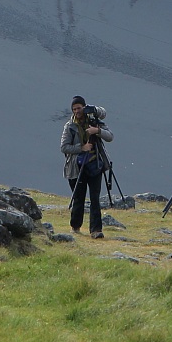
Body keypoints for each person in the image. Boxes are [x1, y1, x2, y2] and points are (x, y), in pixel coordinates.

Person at [60, 96, 114, 238]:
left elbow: (110, 137)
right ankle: (75, 226)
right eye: (74, 109)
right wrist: (81, 147)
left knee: (95, 198)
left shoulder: (94, 122)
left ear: (84, 107)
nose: (77, 111)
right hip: (76, 167)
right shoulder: (70, 126)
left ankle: (96, 230)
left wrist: (97, 131)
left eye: (79, 108)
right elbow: (64, 147)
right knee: (79, 197)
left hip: (95, 165)